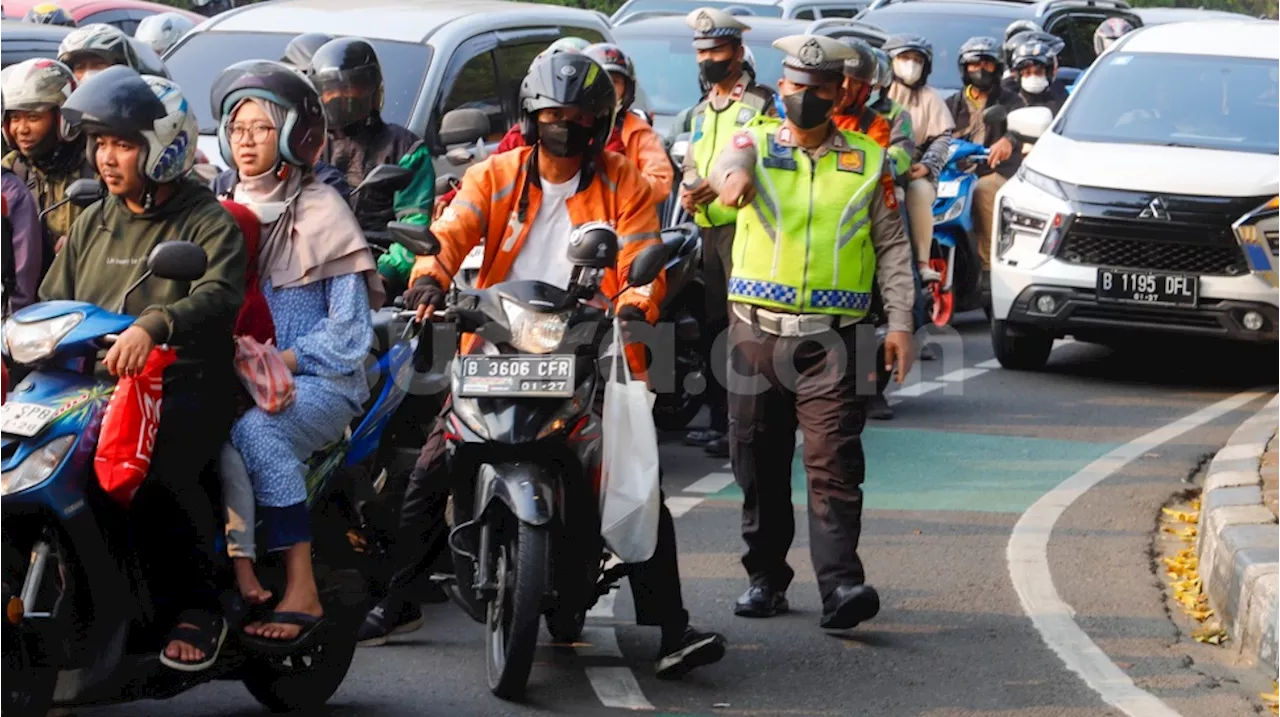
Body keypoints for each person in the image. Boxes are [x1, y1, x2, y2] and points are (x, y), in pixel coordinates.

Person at [362, 50, 728, 679]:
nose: (566, 125)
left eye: (580, 115)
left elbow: (642, 258)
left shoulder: (625, 182)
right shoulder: (493, 174)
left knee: (635, 485)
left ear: (600, 122)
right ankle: (399, 601)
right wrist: (429, 279)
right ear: (531, 118)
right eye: (553, 114)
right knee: (431, 464)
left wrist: (637, 303)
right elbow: (450, 233)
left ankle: (672, 627)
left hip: (592, 346)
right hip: (500, 341)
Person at [42, 66, 247, 671]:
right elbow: (52, 300)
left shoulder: (205, 219)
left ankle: (199, 607)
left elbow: (218, 293)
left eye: (124, 143)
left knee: (156, 475)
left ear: (164, 148)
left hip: (183, 384)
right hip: (93, 388)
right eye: (101, 143)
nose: (107, 158)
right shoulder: (94, 218)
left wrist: (153, 325)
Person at [709, 34, 914, 628]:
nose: (803, 98)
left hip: (837, 338)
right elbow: (730, 164)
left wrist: (899, 323)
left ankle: (842, 588)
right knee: (757, 461)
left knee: (833, 463)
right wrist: (732, 182)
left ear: (839, 92)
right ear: (784, 86)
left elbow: (894, 247)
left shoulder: (867, 160)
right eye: (795, 87)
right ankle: (765, 579)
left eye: (817, 89)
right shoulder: (754, 140)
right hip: (754, 333)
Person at [210, 59, 380, 644]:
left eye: (261, 127)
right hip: (230, 374)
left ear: (292, 134)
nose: (246, 140)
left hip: (320, 383)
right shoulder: (216, 211)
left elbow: (351, 336)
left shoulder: (322, 211)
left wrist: (282, 361)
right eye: (237, 129)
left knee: (258, 434)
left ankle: (301, 586)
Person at [678, 7, 777, 458]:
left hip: (746, 229)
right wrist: (689, 190)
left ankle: (745, 422)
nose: (708, 59)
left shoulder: (760, 103)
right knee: (715, 325)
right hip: (708, 232)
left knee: (745, 329)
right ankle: (721, 419)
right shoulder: (700, 111)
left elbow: (762, 162)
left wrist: (712, 190)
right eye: (702, 52)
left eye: (716, 50)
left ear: (737, 53)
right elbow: (693, 162)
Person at [308, 37, 434, 292]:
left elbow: (413, 224)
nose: (339, 97)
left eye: (350, 89)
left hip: (379, 276)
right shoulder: (308, 144)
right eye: (330, 90)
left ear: (371, 91)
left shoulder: (405, 148)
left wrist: (383, 275)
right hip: (313, 271)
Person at [0, 59, 91, 288]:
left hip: (81, 293)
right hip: (22, 295)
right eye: (14, 118)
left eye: (33, 117)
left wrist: (82, 242)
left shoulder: (95, 167)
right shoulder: (10, 173)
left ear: (62, 118)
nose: (21, 129)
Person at [944, 36, 1023, 276]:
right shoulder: (951, 104)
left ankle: (990, 268)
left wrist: (1009, 140)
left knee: (983, 190)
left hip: (993, 171)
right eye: (974, 64)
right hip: (954, 173)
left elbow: (1020, 129)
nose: (980, 69)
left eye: (987, 64)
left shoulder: (1011, 101)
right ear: (965, 68)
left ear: (997, 68)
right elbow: (935, 136)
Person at [884, 34, 953, 285]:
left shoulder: (931, 98)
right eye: (904, 58)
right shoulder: (878, 93)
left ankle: (922, 262)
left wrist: (926, 166)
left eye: (916, 60)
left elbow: (943, 138)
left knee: (916, 193)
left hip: (914, 169)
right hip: (875, 164)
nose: (910, 64)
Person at [584, 42, 674, 207]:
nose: (608, 89)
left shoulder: (639, 131)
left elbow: (661, 181)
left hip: (624, 218)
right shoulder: (568, 124)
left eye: (615, 82)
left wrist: (620, 189)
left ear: (627, 89)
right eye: (600, 81)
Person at [57, 23, 143, 82]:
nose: (88, 74)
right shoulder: (61, 106)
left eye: (97, 65)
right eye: (80, 67)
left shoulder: (139, 105)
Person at [1011, 39, 1068, 115]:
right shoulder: (1011, 106)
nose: (1033, 77)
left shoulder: (1063, 105)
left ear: (1048, 74)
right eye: (1027, 73)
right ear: (1019, 76)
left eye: (1038, 72)